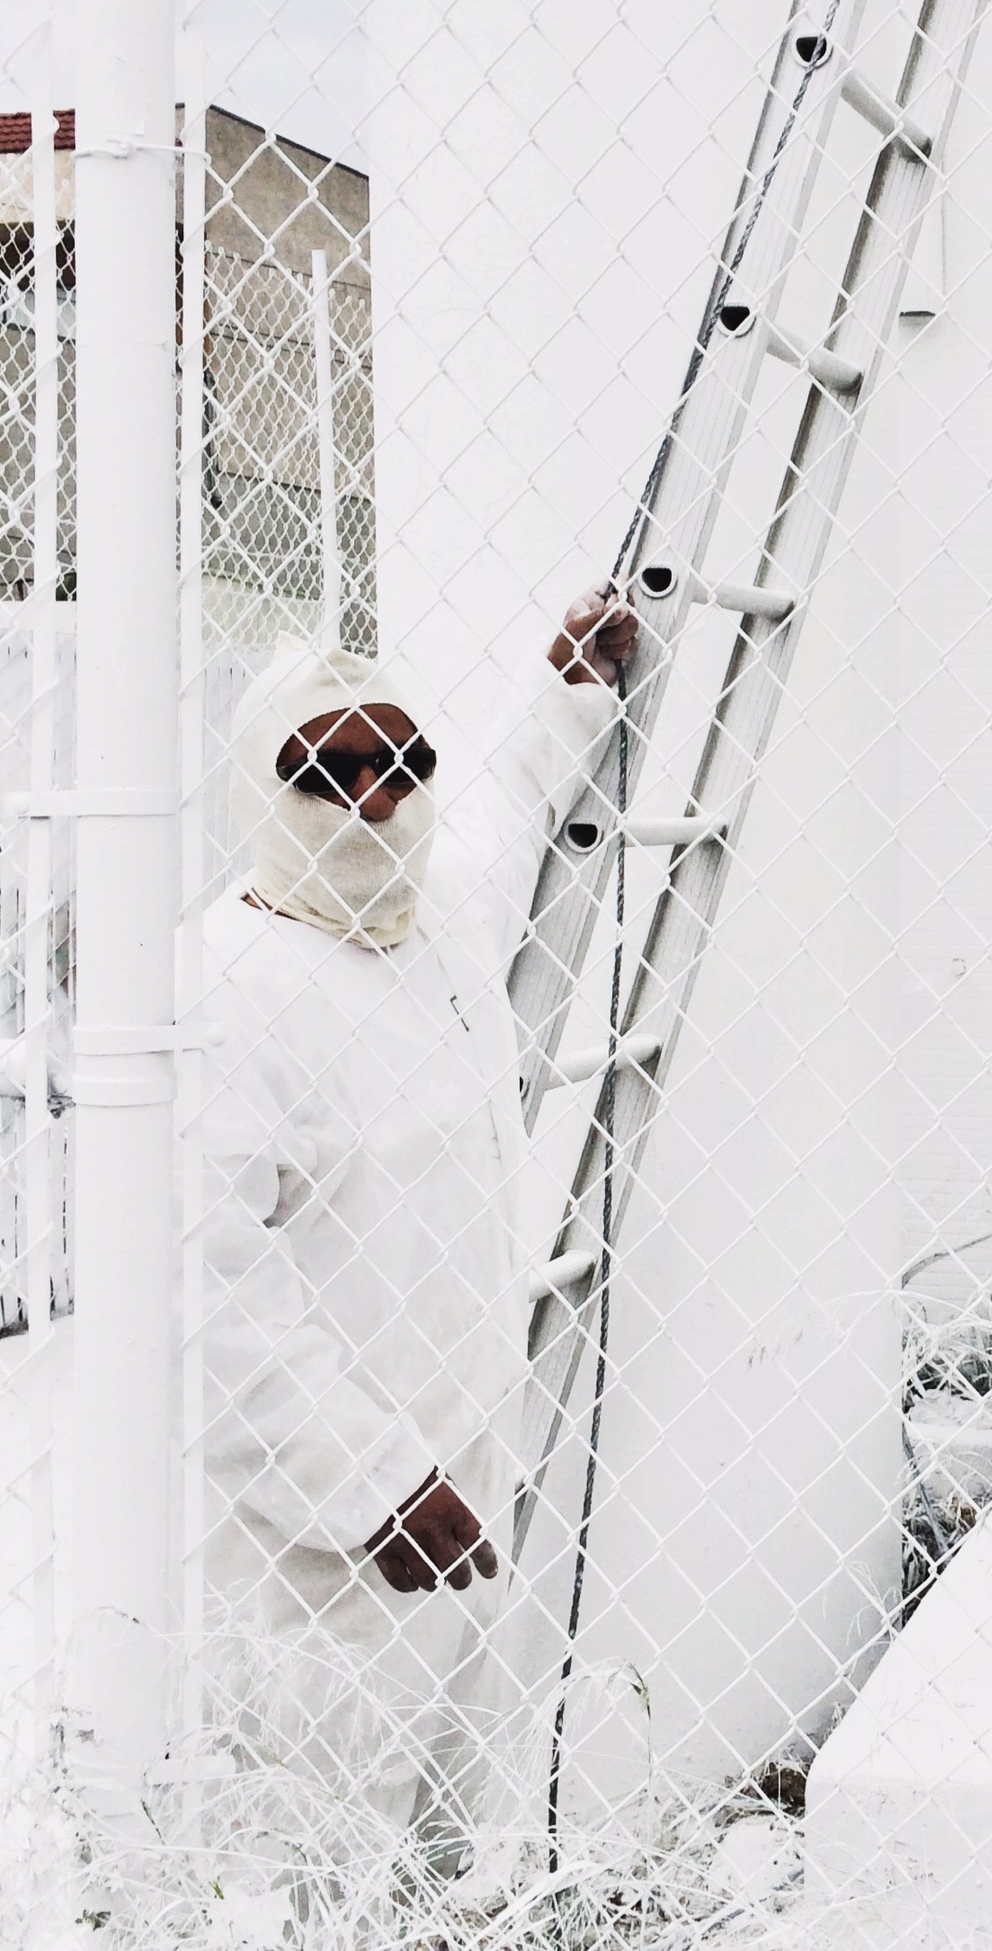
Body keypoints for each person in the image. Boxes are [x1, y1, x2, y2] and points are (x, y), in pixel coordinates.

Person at [200, 590, 637, 1853]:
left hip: (459, 1476)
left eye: (399, 763)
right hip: (311, 1525)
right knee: (306, 1834)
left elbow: (506, 815)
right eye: (325, 771)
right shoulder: (223, 990)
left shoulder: (432, 918)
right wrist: (369, 1481)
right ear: (259, 789)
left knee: (436, 1816)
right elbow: (207, 1291)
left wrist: (570, 693)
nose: (374, 799)